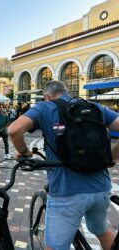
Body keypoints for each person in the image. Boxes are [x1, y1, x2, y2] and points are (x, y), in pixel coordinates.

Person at [8, 81, 118, 250]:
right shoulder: (92, 106)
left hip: (67, 191)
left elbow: (14, 130)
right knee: (102, 230)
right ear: (66, 92)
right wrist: (113, 157)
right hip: (101, 187)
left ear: (46, 96)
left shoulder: (44, 107)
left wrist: (24, 152)